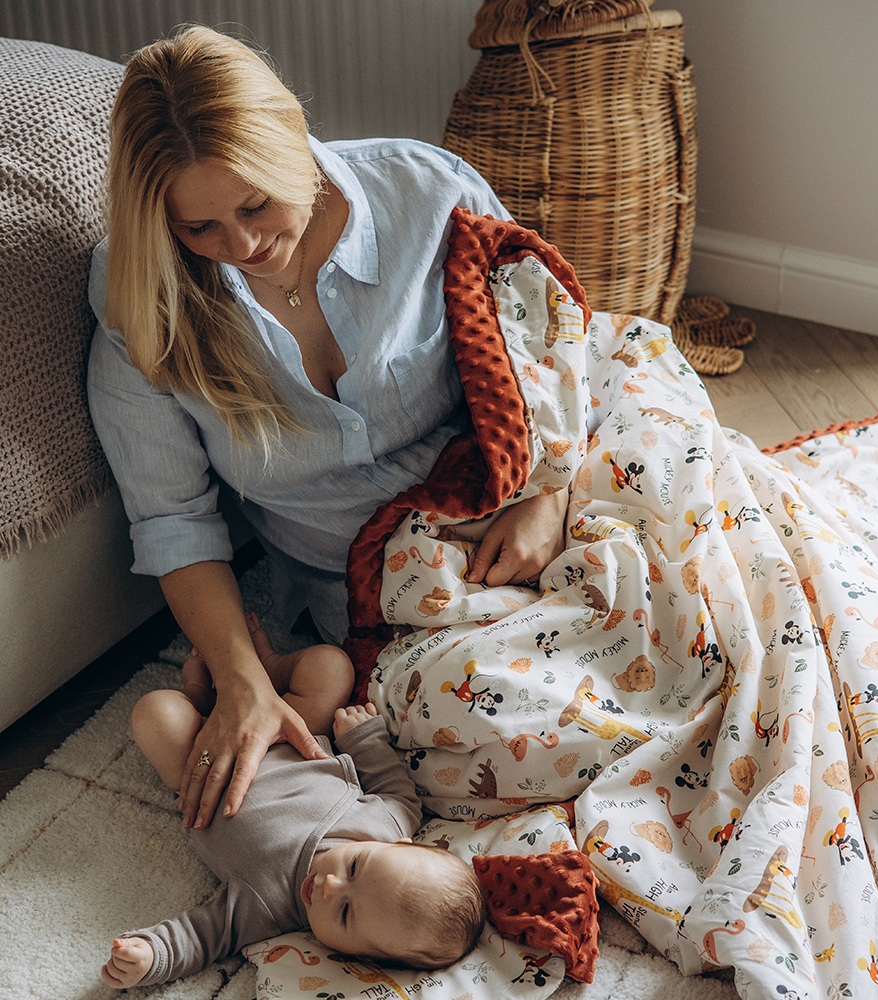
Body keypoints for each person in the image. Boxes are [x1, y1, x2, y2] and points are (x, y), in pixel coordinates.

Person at [87, 25, 570, 833]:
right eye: (198, 229)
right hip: (375, 591)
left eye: (256, 204)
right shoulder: (141, 292)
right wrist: (242, 680)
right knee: (505, 731)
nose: (241, 246)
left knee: (711, 614)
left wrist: (549, 495)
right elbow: (173, 518)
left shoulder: (426, 192)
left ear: (294, 147)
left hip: (519, 490)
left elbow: (547, 349)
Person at [100, 630, 486, 988]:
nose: (330, 886)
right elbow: (395, 788)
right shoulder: (386, 822)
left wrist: (152, 955)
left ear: (359, 956)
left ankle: (199, 696)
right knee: (331, 667)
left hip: (202, 764)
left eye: (346, 914)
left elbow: (204, 934)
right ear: (401, 844)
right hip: (292, 730)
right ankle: (269, 667)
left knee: (155, 714)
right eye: (354, 866)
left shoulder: (268, 907)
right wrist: (364, 737)